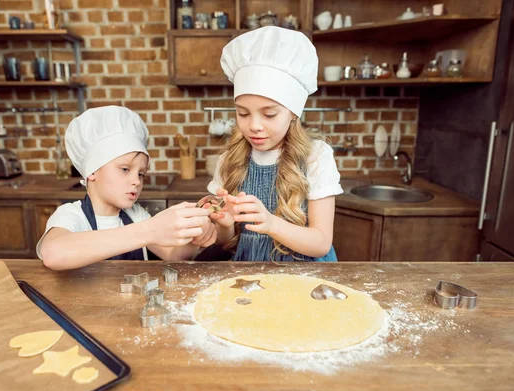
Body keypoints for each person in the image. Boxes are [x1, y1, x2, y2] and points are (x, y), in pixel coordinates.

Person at [206, 26, 343, 262]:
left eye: (269, 114)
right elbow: (225, 243)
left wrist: (271, 223)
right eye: (243, 113)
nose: (254, 126)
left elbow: (321, 243)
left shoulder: (315, 157)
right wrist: (224, 225)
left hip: (304, 278)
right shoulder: (230, 160)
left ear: (293, 113)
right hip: (249, 276)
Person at [37, 106, 216, 270]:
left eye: (141, 174)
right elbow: (54, 254)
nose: (137, 181)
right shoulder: (72, 215)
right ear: (92, 171)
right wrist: (149, 230)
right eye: (125, 169)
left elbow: (175, 256)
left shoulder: (136, 215)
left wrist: (194, 237)